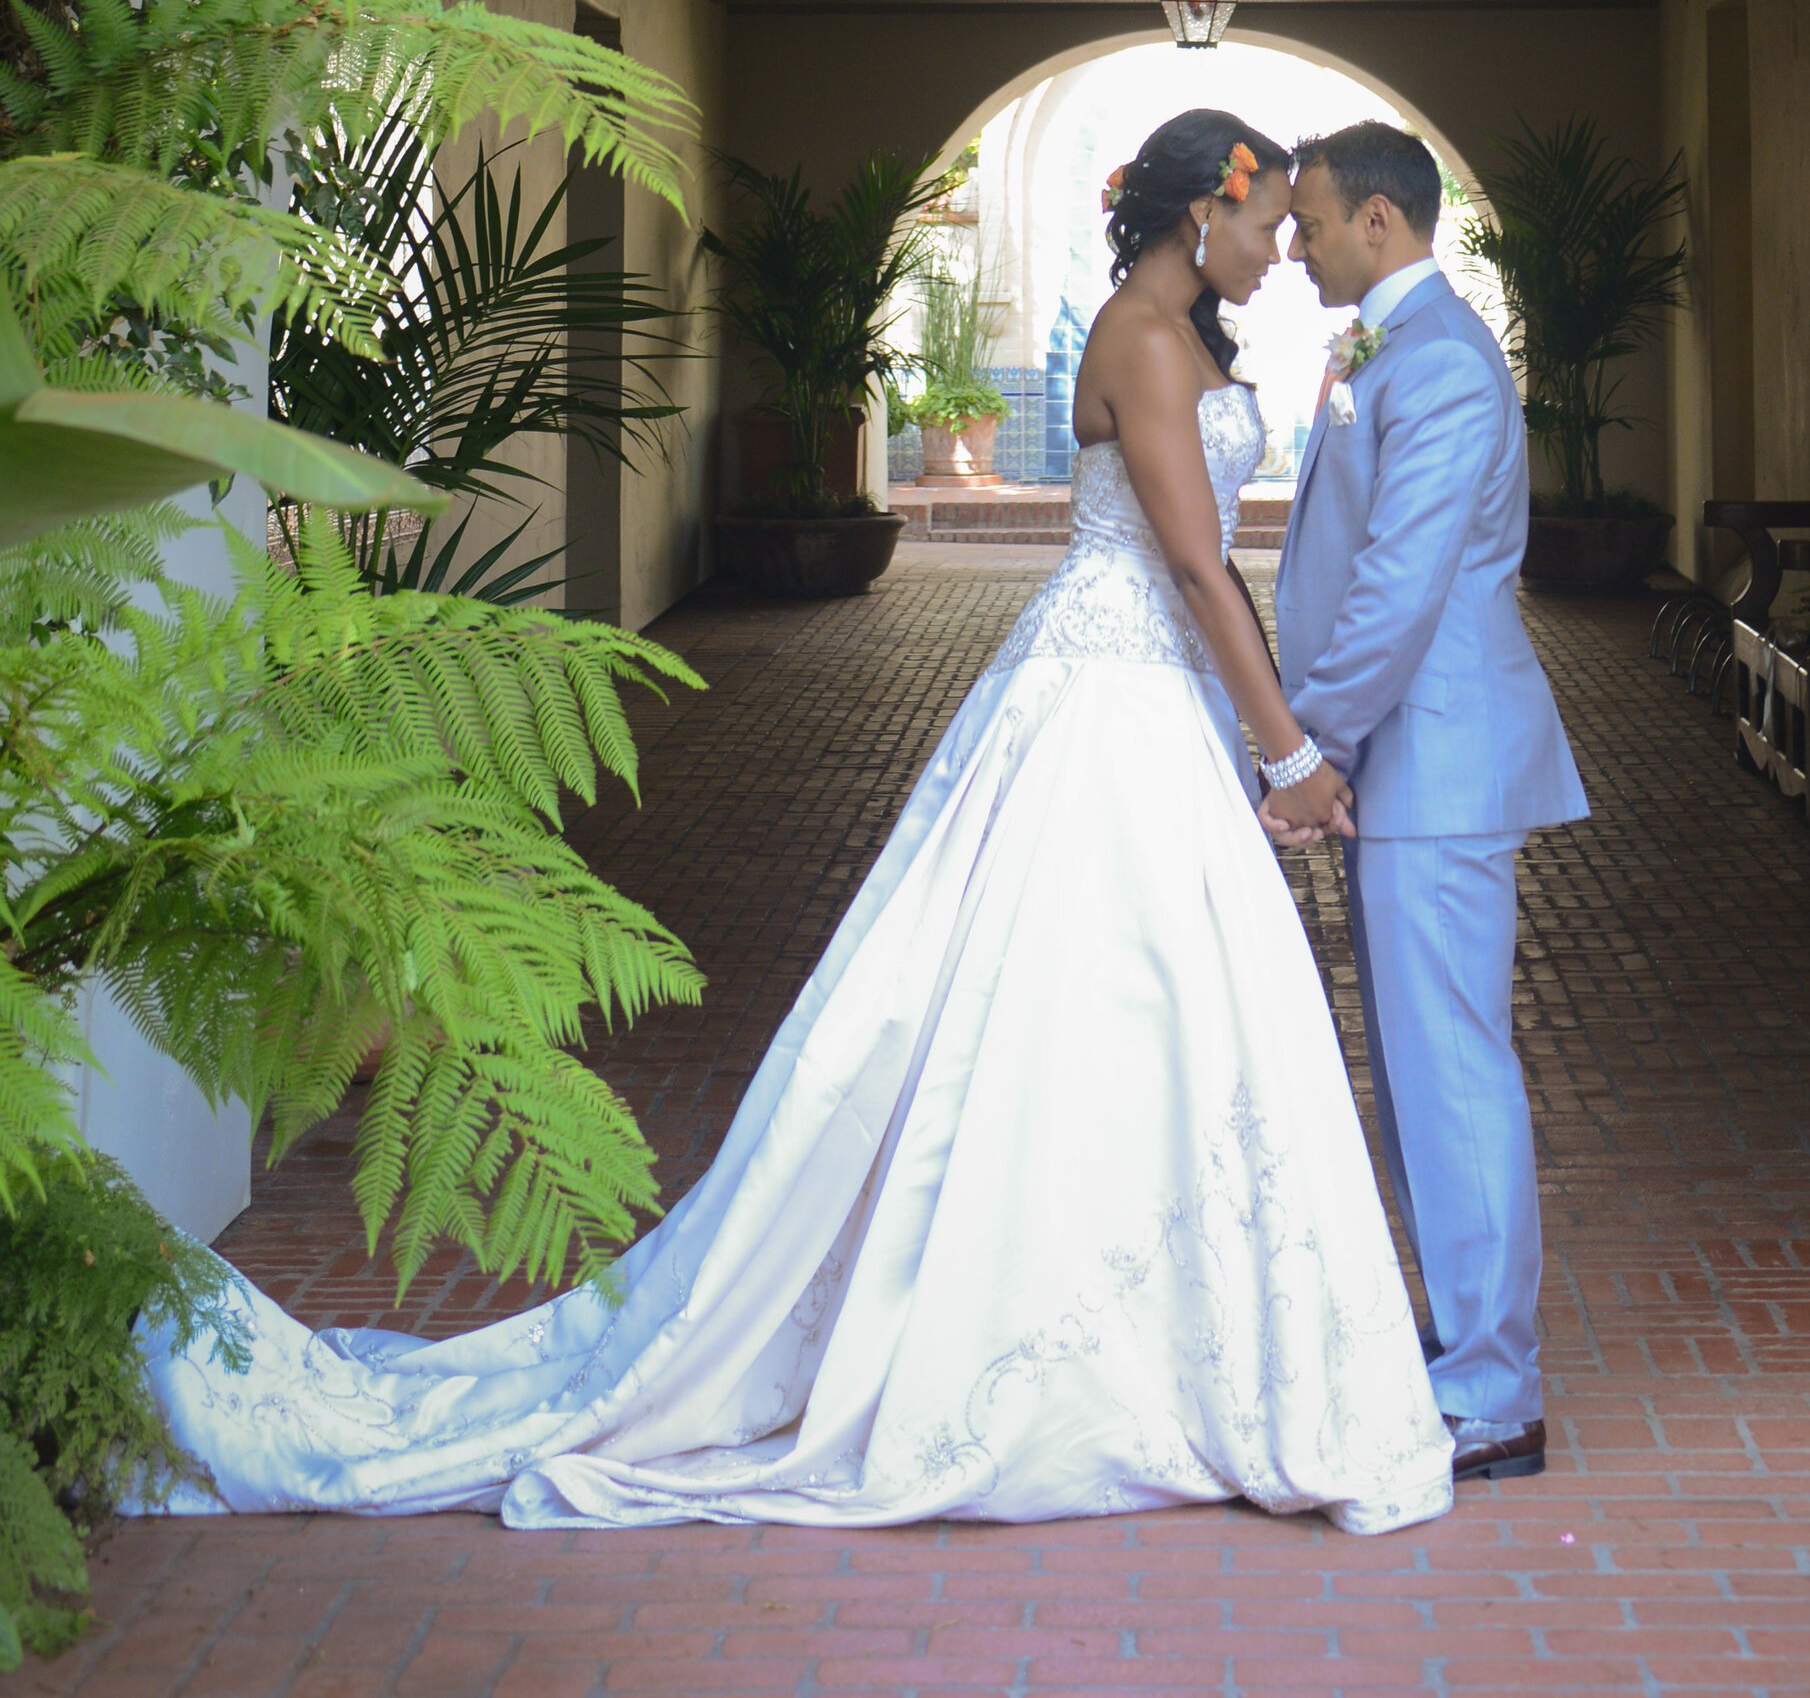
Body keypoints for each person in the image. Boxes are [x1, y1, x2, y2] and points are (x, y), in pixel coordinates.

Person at [136, 111, 1454, 1540]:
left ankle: (1138, 1323)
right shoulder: (1142, 339)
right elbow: (1198, 569)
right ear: (1208, 210)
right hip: (1112, 700)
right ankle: (1051, 1341)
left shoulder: (1174, 328)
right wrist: (1292, 753)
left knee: (1139, 1012)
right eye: (1268, 228)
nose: (1281, 255)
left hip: (1147, 699)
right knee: (1086, 999)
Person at [1280, 121, 1588, 1486]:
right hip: (1404, 771)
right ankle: (1465, 1342)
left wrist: (1310, 743)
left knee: (1452, 1071)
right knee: (1417, 1075)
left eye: (1312, 221)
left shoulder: (1445, 365)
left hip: (1437, 765)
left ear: (1383, 224)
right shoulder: (1388, 346)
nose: (1293, 244)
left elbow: (1401, 583)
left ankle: (1496, 1390)